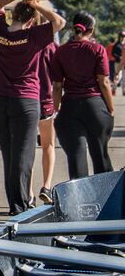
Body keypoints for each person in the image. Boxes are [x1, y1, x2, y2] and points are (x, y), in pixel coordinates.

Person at [0, 0, 65, 215]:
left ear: (12, 15)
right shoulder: (33, 35)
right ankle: (20, 207)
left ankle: (15, 204)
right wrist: (35, 3)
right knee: (24, 154)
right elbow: (59, 22)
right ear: (32, 21)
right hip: (25, 100)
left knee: (9, 154)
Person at [51, 11, 114, 180]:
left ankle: (80, 202)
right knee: (100, 154)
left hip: (70, 107)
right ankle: (108, 198)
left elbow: (57, 86)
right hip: (95, 106)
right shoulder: (97, 49)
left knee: (76, 157)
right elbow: (103, 82)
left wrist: (55, 109)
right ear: (91, 30)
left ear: (73, 28)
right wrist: (110, 108)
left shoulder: (61, 51)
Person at [34, 27, 57, 204]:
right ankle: (46, 186)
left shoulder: (21, 42)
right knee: (48, 144)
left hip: (24, 98)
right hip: (45, 99)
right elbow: (57, 77)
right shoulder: (51, 47)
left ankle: (27, 192)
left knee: (25, 149)